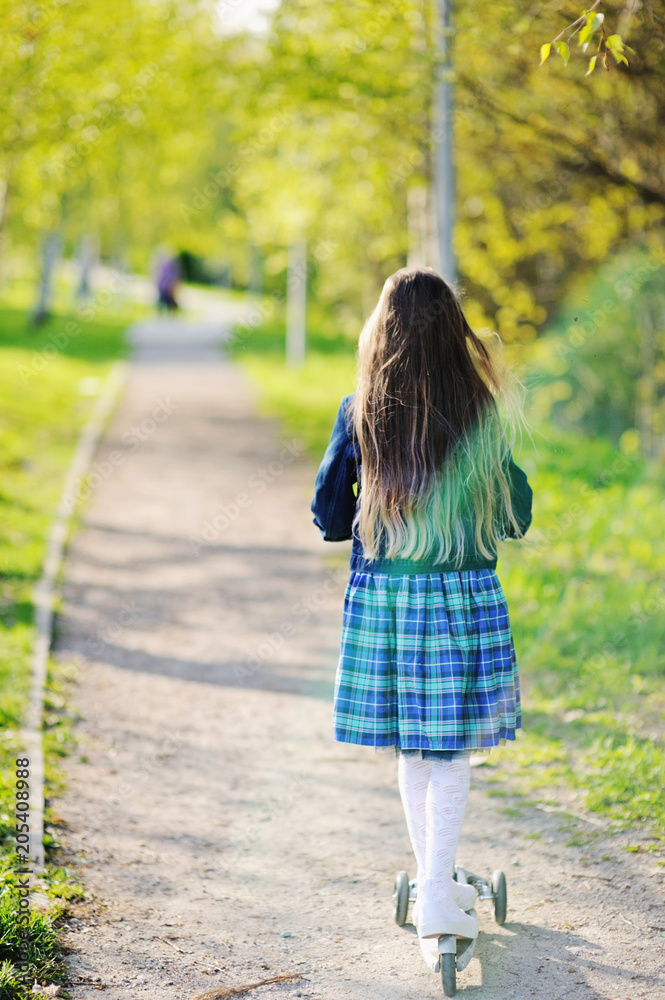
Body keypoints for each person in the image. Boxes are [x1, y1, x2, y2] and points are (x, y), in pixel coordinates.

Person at [310, 267, 533, 959]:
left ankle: (435, 885)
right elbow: (517, 516)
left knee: (415, 747)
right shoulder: (481, 414)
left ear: (383, 334)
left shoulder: (360, 410)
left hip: (386, 600)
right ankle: (436, 888)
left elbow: (328, 517)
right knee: (450, 750)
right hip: (461, 599)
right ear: (451, 336)